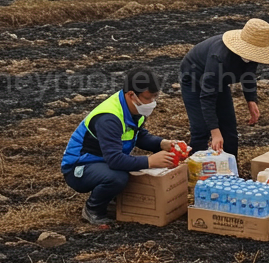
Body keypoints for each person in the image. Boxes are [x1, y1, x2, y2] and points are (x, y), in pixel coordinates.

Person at [61, 67, 183, 225]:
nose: (152, 103)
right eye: (148, 98)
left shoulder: (133, 108)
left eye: (155, 97)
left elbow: (139, 135)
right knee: (118, 177)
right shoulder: (109, 118)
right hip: (79, 167)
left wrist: (162, 143)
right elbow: (115, 160)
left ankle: (112, 198)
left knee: (130, 169)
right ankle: (93, 209)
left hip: (102, 160)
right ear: (131, 95)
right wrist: (150, 161)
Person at [179, 18, 269, 158]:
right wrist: (215, 132)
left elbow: (249, 74)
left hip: (220, 81)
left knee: (229, 130)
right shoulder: (219, 57)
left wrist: (251, 100)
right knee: (201, 129)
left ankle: (231, 172)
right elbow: (207, 96)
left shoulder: (252, 56)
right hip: (193, 79)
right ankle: (194, 172)